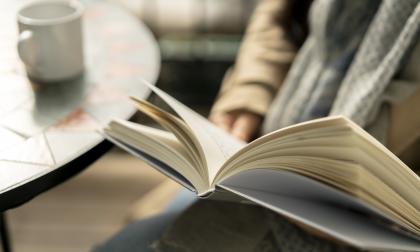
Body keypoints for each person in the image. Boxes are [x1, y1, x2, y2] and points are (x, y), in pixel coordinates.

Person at [94, 0, 420, 251]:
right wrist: (249, 97)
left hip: (365, 226)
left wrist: (360, 214)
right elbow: (280, 14)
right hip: (264, 152)